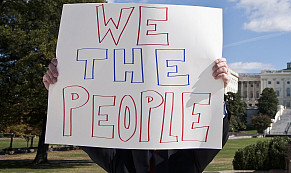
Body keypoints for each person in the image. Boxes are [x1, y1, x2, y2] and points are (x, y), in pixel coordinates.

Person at [43, 57, 232, 173]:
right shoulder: (122, 156)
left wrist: (214, 92)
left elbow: (214, 136)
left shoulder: (186, 155)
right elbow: (82, 130)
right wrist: (59, 88)